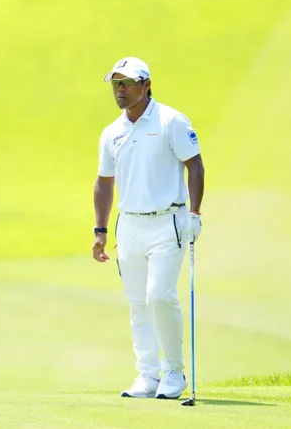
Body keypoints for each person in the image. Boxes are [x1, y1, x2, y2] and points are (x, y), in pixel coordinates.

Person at [92, 57, 205, 399]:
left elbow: (195, 165)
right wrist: (100, 230)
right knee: (138, 302)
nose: (120, 90)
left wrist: (194, 213)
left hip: (168, 221)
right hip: (129, 225)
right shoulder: (112, 132)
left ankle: (174, 372)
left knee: (160, 296)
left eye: (127, 83)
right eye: (116, 84)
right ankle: (148, 375)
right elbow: (104, 181)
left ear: (146, 85)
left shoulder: (171, 121)